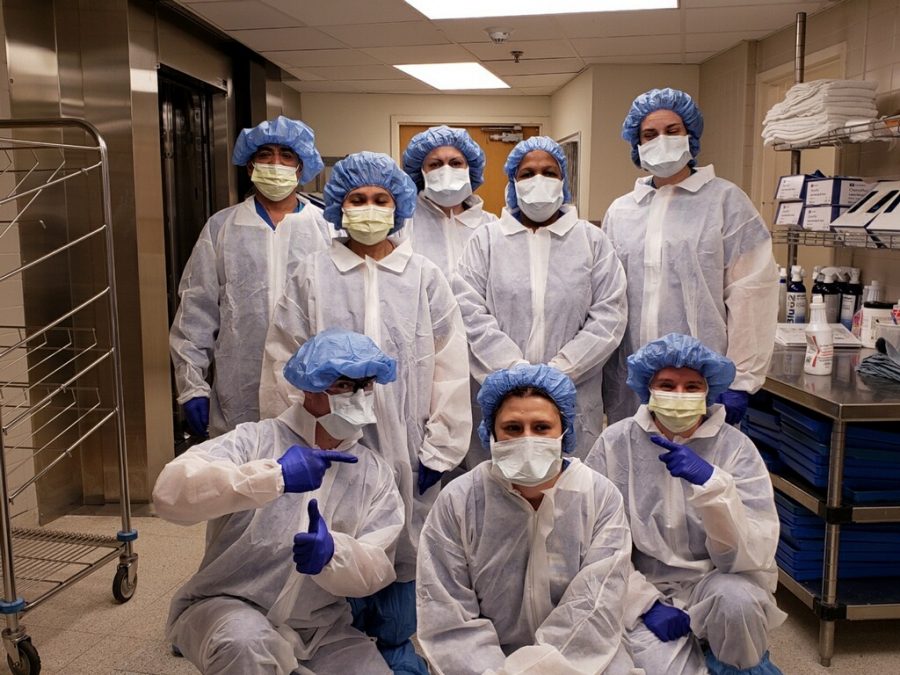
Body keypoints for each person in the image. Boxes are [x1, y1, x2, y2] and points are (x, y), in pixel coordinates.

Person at [260, 151, 471, 674]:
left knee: (401, 543)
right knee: (332, 530)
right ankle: (332, 642)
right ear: (339, 206)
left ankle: (395, 645)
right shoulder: (313, 273)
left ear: (399, 206)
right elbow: (283, 356)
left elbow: (449, 361)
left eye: (381, 200)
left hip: (407, 442)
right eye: (358, 199)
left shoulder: (423, 276)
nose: (370, 208)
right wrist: (295, 435)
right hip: (326, 442)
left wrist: (441, 446)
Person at [153, 329, 404, 675]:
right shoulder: (254, 442)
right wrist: (272, 478)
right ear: (309, 388)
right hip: (229, 609)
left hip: (319, 629)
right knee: (245, 646)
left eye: (367, 386)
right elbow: (168, 495)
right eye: (344, 386)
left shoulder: (373, 473)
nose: (359, 396)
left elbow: (378, 566)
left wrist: (335, 555)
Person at [416, 364, 637, 674]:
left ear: (564, 431)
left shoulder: (598, 496)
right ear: (491, 433)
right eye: (514, 428)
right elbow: (448, 614)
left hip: (579, 655)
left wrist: (541, 668)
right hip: (484, 664)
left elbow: (594, 606)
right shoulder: (460, 500)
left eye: (541, 427)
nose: (528, 439)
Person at [586, 333, 786, 675]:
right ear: (647, 389)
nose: (679, 396)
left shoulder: (736, 449)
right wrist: (643, 604)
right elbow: (596, 542)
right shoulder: (615, 444)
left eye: (692, 387)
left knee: (738, 605)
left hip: (718, 582)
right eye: (667, 384)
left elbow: (752, 553)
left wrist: (713, 487)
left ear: (709, 392)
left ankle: (740, 664)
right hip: (643, 585)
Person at [601, 88, 779, 427]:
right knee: (632, 468)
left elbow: (752, 293)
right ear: (636, 144)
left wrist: (740, 380)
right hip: (629, 380)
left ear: (690, 136)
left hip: (700, 379)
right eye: (649, 134)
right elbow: (607, 299)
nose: (661, 140)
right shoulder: (622, 211)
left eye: (672, 131)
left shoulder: (726, 202)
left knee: (700, 473)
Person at [453, 135, 627, 462]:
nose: (539, 180)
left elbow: (609, 317)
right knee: (498, 492)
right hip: (501, 394)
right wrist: (512, 370)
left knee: (571, 493)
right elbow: (469, 312)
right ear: (512, 183)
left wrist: (560, 372)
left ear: (563, 180)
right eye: (527, 173)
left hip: (572, 396)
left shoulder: (591, 241)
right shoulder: (487, 240)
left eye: (549, 172)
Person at [169, 115, 332, 438]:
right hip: (239, 389)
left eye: (286, 156)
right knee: (244, 477)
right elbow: (196, 311)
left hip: (314, 385)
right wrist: (191, 385)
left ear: (301, 168)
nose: (276, 163)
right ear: (249, 166)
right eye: (265, 155)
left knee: (311, 473)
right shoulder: (223, 227)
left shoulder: (326, 227)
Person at [400, 125, 498, 279]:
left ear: (469, 169)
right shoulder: (405, 224)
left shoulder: (490, 225)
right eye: (435, 164)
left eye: (455, 163)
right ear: (421, 172)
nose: (446, 171)